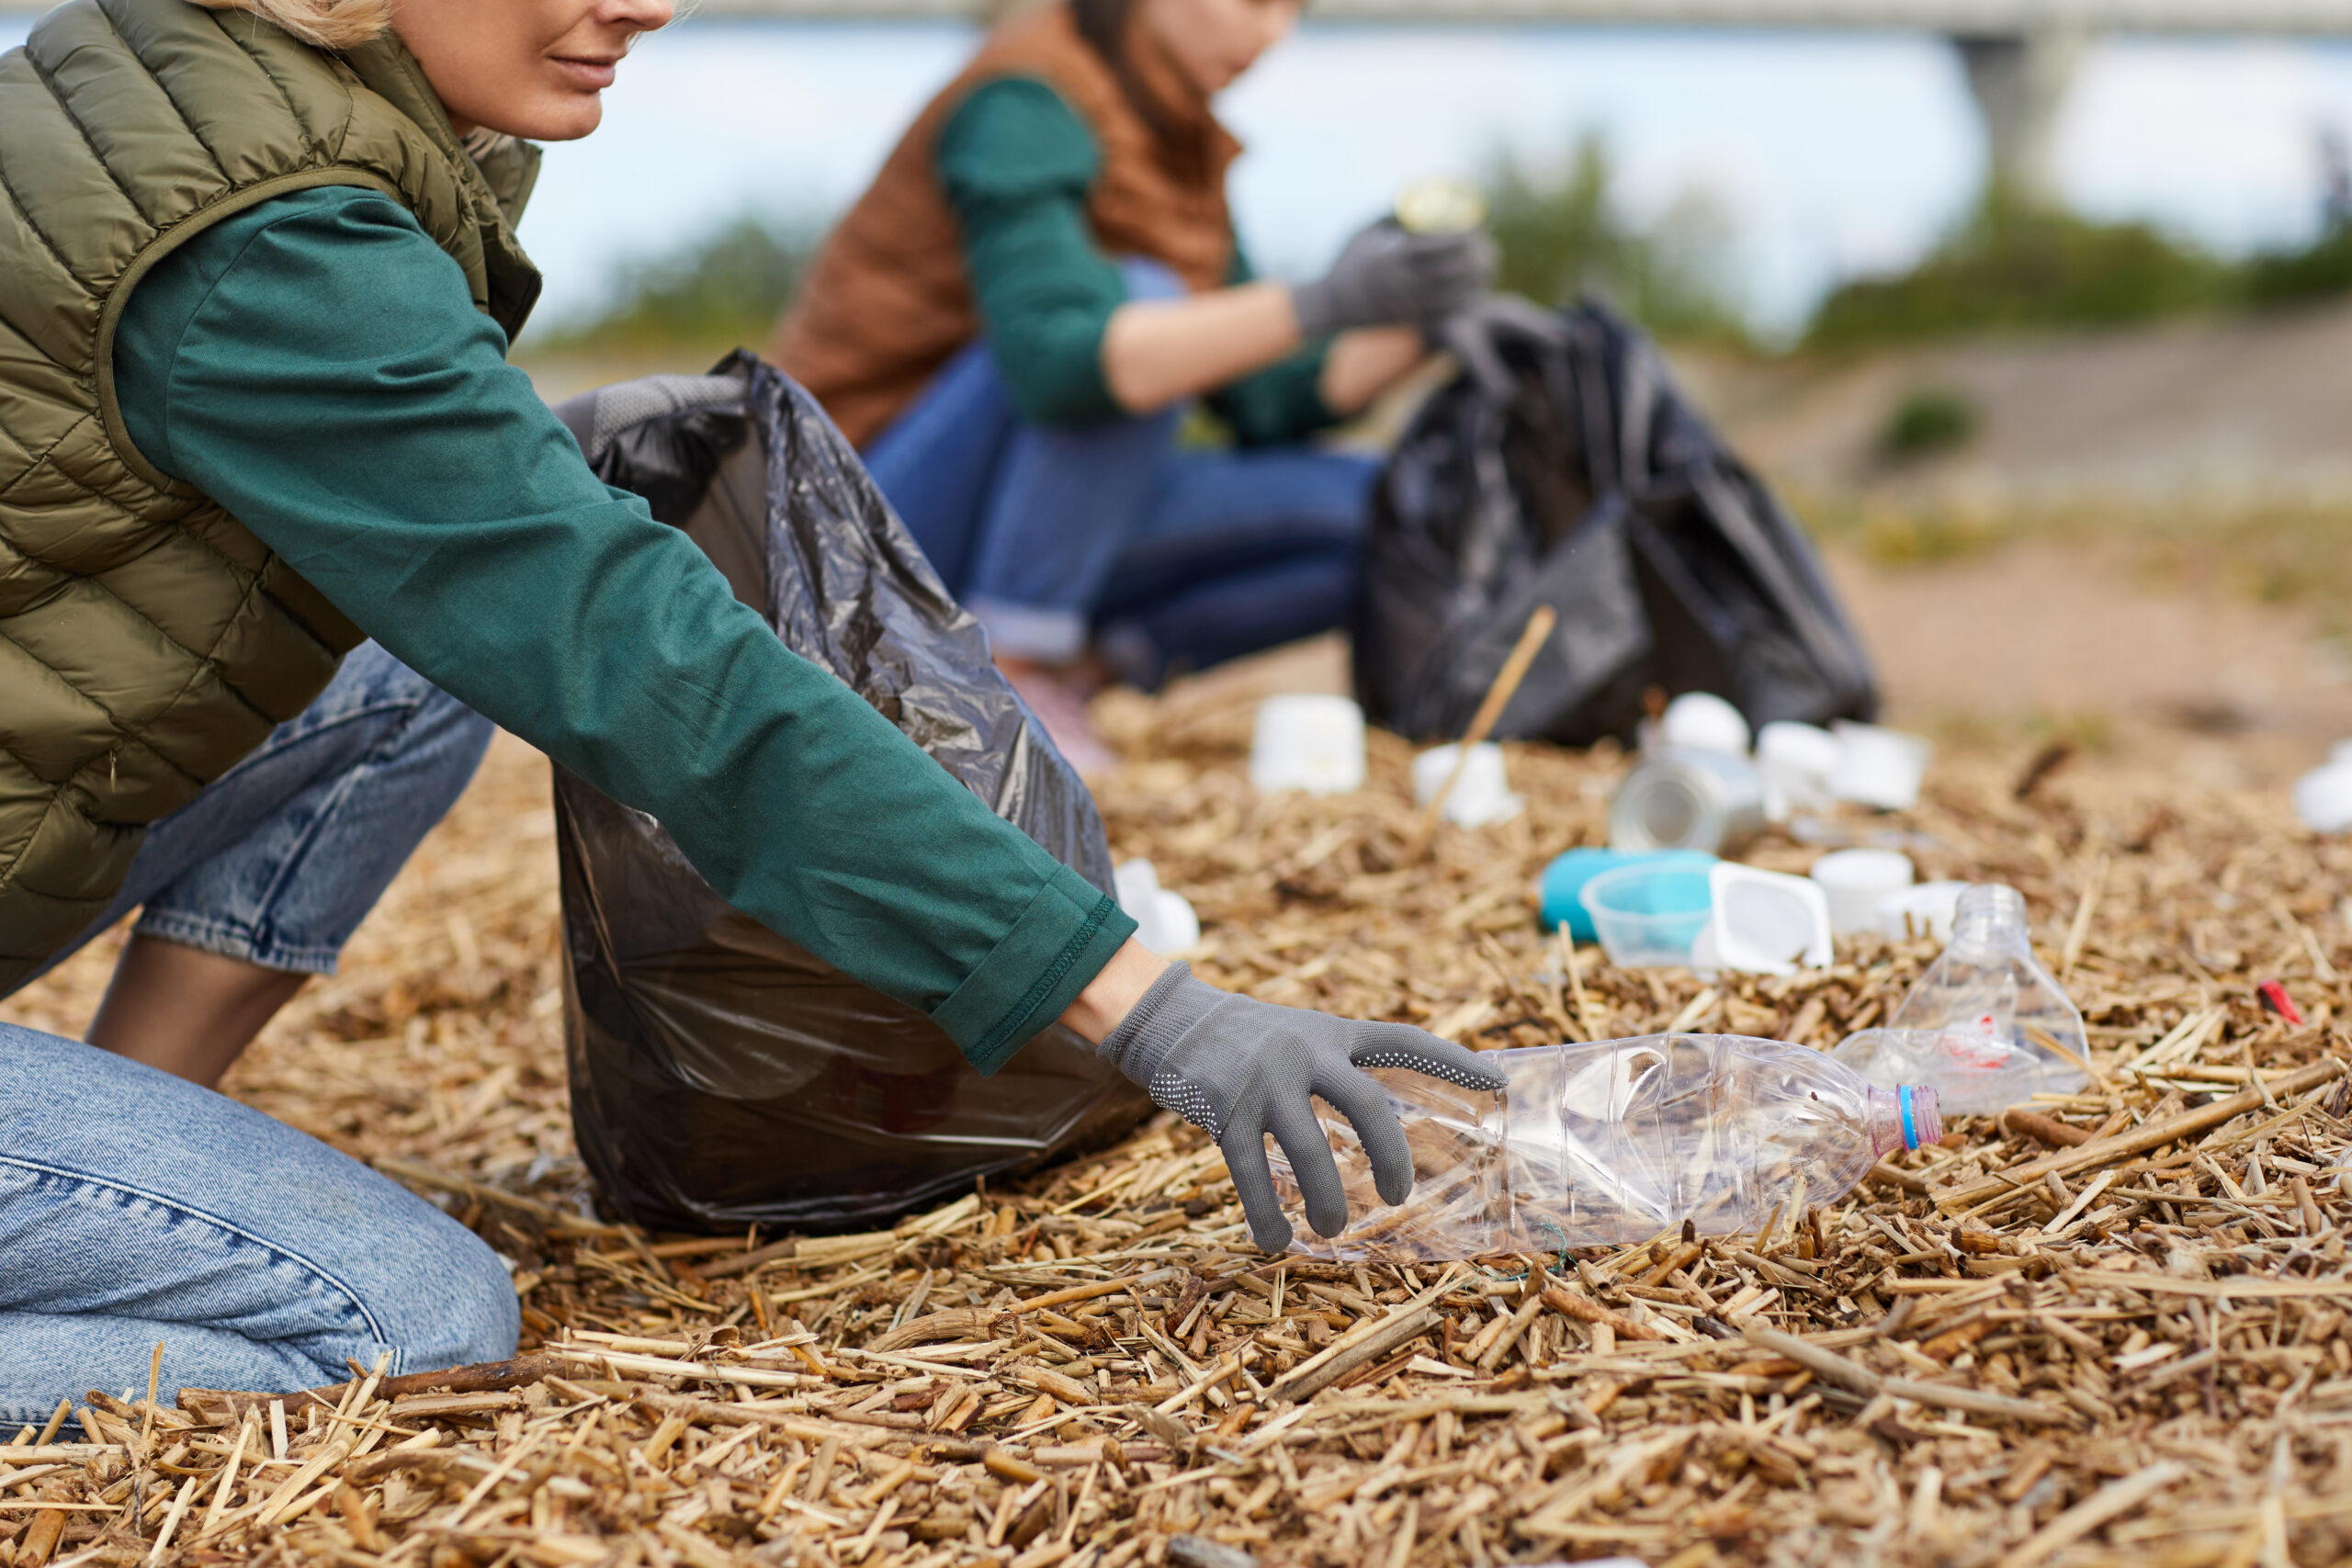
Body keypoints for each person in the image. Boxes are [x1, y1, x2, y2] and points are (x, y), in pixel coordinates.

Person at [0, 0, 1504, 1427]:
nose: (651, 7)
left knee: (404, 666)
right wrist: (1146, 1006)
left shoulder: (183, 92)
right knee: (417, 1320)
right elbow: (647, 665)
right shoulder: (263, 236)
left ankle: (119, 1140)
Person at [772, 0, 1493, 768]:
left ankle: (1078, 675)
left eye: (1295, 9)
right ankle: (1009, 672)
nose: (1274, 31)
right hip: (852, 527)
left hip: (1028, 525)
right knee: (1146, 303)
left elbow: (1266, 396)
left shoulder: (1178, 137)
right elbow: (1059, 363)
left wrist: (1423, 325)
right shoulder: (1021, 101)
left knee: (1382, 507)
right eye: (1254, 1)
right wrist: (1325, 301)